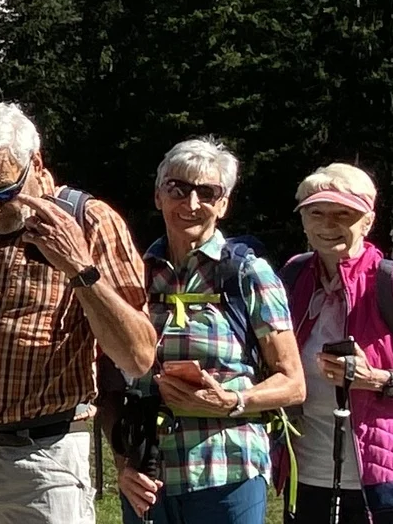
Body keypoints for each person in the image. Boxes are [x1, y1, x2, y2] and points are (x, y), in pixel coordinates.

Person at [0, 103, 156, 524]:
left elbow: (138, 356)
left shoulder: (88, 221)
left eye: (2, 195)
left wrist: (80, 269)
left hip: (47, 458)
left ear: (36, 162)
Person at [112, 139, 306, 524]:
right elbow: (112, 381)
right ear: (158, 196)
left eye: (207, 192)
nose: (191, 203)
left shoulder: (247, 273)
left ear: (223, 204)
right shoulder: (135, 275)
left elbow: (294, 383)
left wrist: (231, 401)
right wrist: (122, 463)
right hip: (147, 474)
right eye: (177, 189)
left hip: (227, 469)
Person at [275, 164, 393, 524]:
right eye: (316, 213)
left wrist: (375, 378)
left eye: (343, 214)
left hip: (383, 480)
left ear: (368, 222)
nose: (328, 224)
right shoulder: (292, 278)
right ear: (303, 221)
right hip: (305, 475)